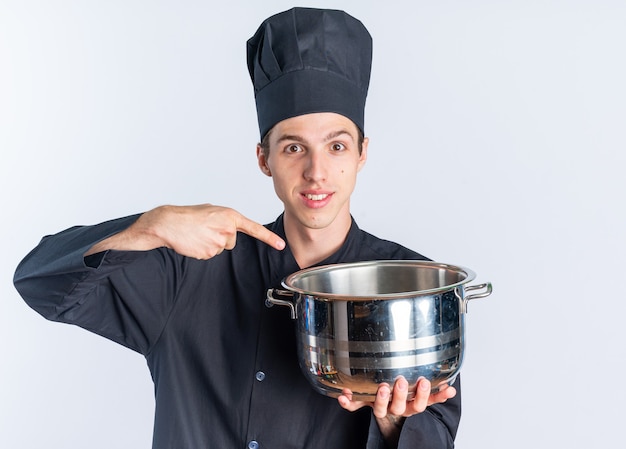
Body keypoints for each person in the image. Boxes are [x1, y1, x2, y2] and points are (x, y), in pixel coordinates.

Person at [14, 7, 461, 449]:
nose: (316, 172)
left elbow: (435, 439)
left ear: (361, 153)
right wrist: (150, 226)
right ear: (264, 159)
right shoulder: (189, 269)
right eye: (293, 148)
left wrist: (394, 425)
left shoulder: (410, 287)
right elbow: (39, 283)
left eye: (337, 146)